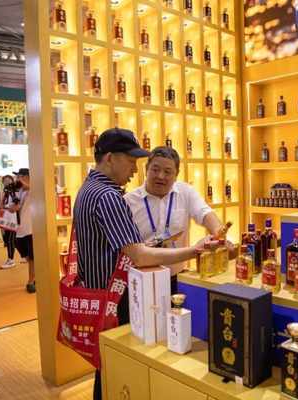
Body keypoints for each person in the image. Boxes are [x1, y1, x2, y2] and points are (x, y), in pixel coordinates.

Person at [73, 128, 213, 400]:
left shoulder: (88, 188)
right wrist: (194, 251)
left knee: (109, 361)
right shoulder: (110, 197)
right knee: (121, 360)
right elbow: (139, 256)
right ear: (110, 158)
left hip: (97, 293)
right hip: (117, 297)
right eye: (131, 161)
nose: (134, 170)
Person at [124, 146, 234, 293]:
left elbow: (205, 213)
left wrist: (218, 231)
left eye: (167, 172)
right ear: (146, 169)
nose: (161, 176)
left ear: (176, 174)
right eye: (155, 170)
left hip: (177, 277)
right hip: (141, 281)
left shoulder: (185, 192)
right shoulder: (128, 201)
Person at [9, 168, 35, 293]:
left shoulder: (33, 187)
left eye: (19, 176)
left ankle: (31, 280)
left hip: (31, 228)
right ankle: (35, 277)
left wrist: (23, 184)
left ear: (26, 177)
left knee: (32, 257)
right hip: (20, 229)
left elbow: (32, 188)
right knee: (26, 256)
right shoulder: (19, 191)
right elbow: (13, 209)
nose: (17, 179)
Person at [0, 175, 18, 269]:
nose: (7, 182)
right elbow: (1, 205)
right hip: (6, 217)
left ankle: (11, 260)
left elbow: (15, 204)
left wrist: (5, 206)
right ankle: (11, 258)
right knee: (8, 239)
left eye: (8, 180)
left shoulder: (15, 191)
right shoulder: (5, 191)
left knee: (11, 240)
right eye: (5, 181)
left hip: (13, 218)